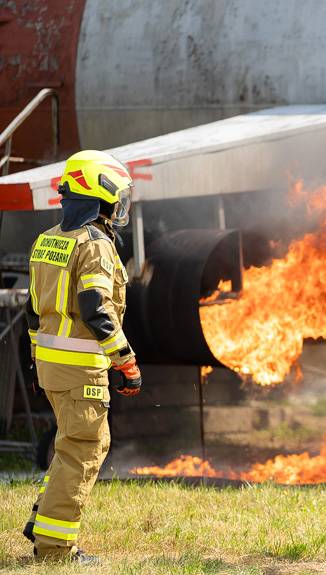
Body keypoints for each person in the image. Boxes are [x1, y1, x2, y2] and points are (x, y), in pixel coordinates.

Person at [22, 150, 143, 564]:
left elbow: (34, 310)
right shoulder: (95, 246)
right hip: (80, 370)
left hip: (53, 366)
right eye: (118, 198)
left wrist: (37, 363)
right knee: (83, 450)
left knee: (72, 444)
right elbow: (96, 308)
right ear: (100, 194)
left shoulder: (48, 240)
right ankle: (54, 548)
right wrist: (125, 361)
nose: (119, 207)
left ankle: (42, 521)